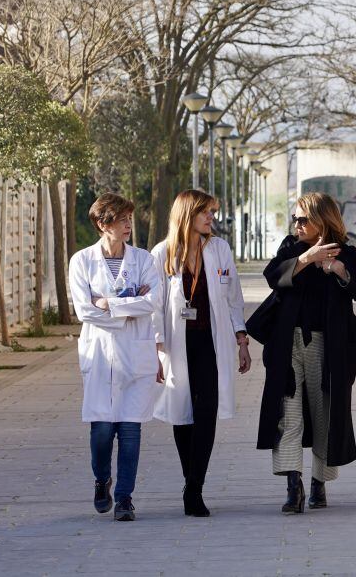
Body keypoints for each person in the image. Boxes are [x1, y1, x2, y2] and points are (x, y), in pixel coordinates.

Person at [252, 192, 356, 514]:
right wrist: (306, 259)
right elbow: (272, 277)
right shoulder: (291, 248)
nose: (296, 224)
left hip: (328, 347)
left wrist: (338, 269)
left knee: (325, 416)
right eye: (294, 218)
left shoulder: (346, 252)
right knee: (289, 415)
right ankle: (292, 486)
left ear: (322, 219)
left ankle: (318, 484)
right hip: (287, 344)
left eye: (302, 219)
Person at [152, 189, 251, 517]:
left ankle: (194, 487)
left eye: (212, 212)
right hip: (177, 344)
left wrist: (242, 340)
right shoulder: (164, 253)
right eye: (205, 212)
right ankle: (190, 480)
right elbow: (155, 307)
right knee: (183, 414)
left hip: (211, 342)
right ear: (187, 215)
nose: (211, 218)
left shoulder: (220, 249)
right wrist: (156, 349)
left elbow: (233, 296)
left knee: (206, 411)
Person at [68, 193, 163, 522]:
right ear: (101, 224)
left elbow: (154, 302)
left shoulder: (144, 260)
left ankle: (124, 497)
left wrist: (109, 303)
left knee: (131, 431)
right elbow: (84, 311)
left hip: (137, 354)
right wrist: (129, 306)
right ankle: (101, 480)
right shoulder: (82, 261)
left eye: (129, 218)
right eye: (121, 219)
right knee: (103, 430)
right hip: (101, 355)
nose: (128, 225)